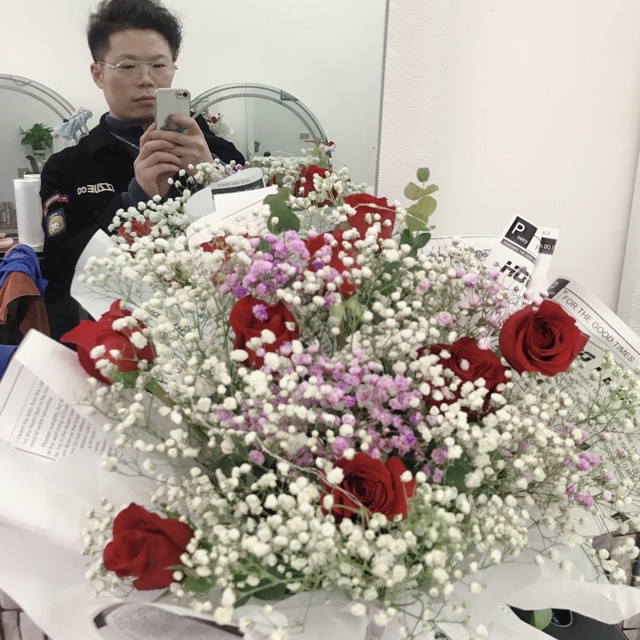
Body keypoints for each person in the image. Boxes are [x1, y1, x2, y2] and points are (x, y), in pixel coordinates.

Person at [40, 0, 245, 340]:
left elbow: (261, 240)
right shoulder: (67, 167)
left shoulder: (219, 152)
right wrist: (137, 197)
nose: (147, 80)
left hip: (214, 335)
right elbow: (61, 267)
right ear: (98, 74)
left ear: (173, 70)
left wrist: (212, 175)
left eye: (159, 65)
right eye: (128, 66)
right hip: (117, 342)